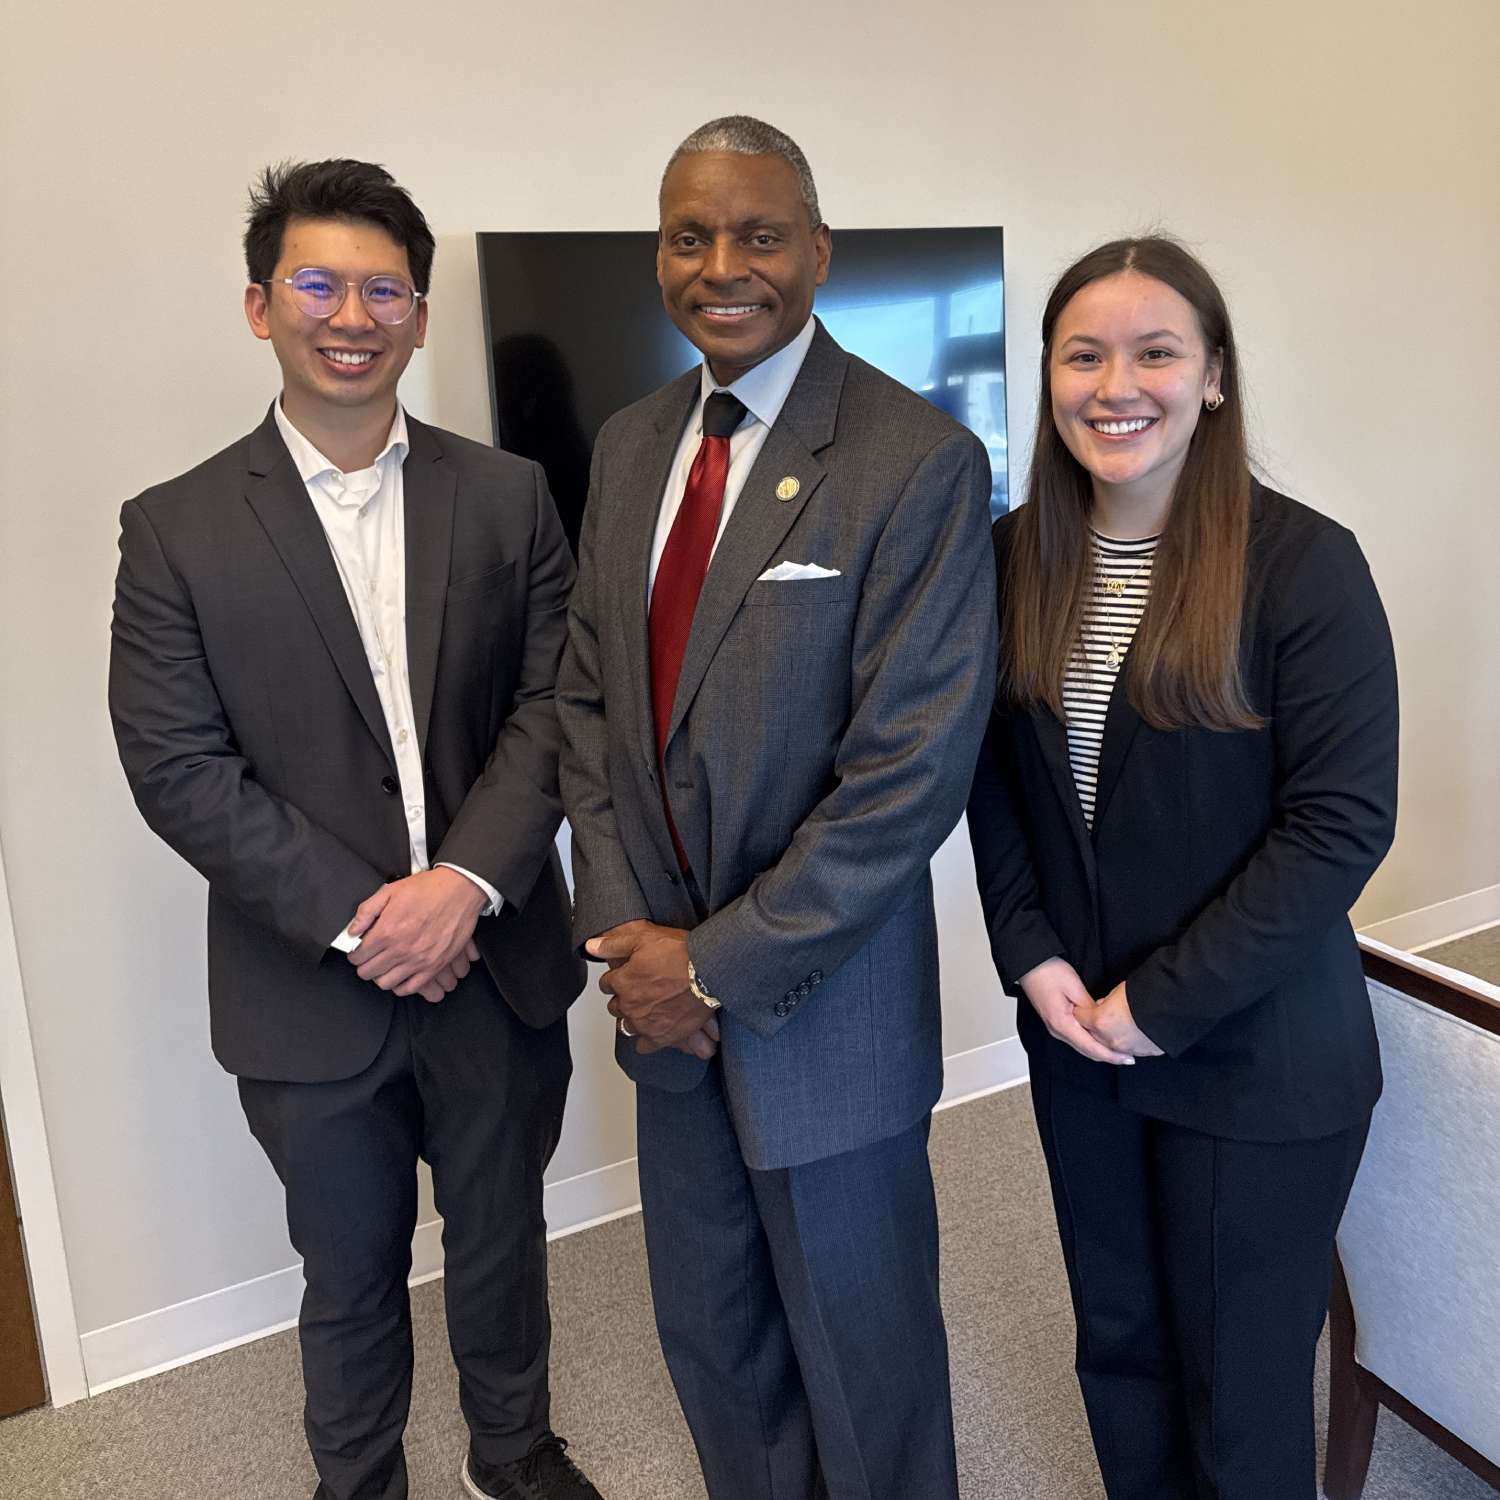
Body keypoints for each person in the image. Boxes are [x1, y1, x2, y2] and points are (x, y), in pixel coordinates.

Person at [108, 159, 602, 1500]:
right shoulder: (174, 530)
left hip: (495, 962)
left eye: (384, 289)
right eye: (317, 283)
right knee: (348, 1265)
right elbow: (177, 766)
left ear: (420, 318)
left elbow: (558, 705)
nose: (352, 315)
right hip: (306, 988)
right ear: (260, 306)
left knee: (503, 1238)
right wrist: (366, 918)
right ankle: (360, 1476)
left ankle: (514, 1449)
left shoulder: (508, 496)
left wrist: (464, 885)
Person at [556, 116, 996, 1500]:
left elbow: (908, 778)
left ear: (818, 251)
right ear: (658, 258)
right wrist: (627, 935)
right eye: (690, 236)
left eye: (758, 235)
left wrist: (710, 966)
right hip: (662, 1012)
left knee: (867, 1370)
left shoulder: (917, 459)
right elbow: (588, 705)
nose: (722, 265)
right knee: (717, 1347)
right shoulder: (630, 446)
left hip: (823, 1015)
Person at [967, 235, 1399, 1500]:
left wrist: (1158, 1004)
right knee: (1122, 1352)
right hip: (1079, 1040)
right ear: (1048, 377)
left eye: (1155, 353)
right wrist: (1029, 953)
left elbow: (1339, 825)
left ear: (1213, 377)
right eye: (1083, 356)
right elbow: (992, 784)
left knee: (1240, 1390)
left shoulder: (1304, 564)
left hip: (1257, 1051)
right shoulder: (1008, 560)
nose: (1117, 386)